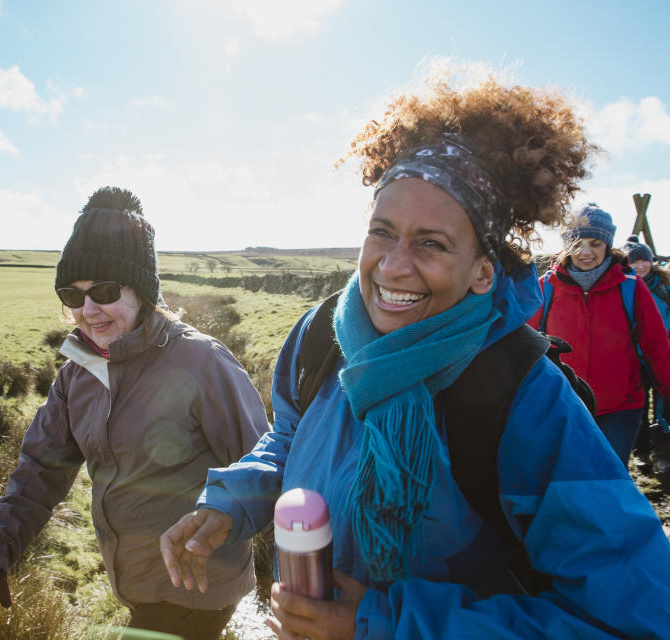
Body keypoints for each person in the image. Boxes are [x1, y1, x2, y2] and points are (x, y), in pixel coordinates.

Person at [160, 71, 670, 639]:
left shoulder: (521, 396)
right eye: (382, 232)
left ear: (483, 272)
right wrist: (231, 503)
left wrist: (386, 625)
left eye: (431, 243)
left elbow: (633, 619)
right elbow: (292, 437)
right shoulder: (320, 336)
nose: (394, 266)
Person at [0, 187, 269, 640]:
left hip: (198, 588)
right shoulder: (78, 374)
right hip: (137, 585)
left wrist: (294, 583)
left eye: (104, 291)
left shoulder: (201, 361)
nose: (88, 310)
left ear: (141, 291)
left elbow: (267, 469)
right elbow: (39, 470)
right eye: (72, 294)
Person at [529, 209, 670, 467]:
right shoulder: (546, 286)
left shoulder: (630, 286)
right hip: (562, 405)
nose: (586, 252)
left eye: (595, 243)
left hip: (620, 409)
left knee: (608, 481)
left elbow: (656, 345)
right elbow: (523, 344)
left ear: (607, 244)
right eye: (577, 244)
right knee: (567, 481)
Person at [623, 235, 670, 474]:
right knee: (638, 407)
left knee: (664, 406)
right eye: (635, 261)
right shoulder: (624, 288)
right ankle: (641, 452)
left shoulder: (664, 287)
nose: (641, 266)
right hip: (633, 358)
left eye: (645, 260)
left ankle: (662, 453)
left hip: (661, 355)